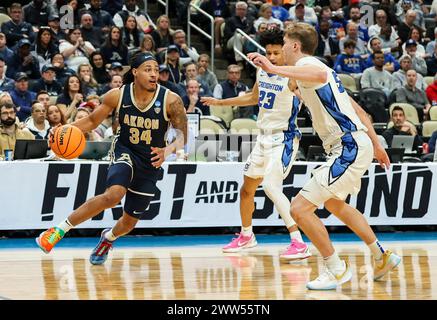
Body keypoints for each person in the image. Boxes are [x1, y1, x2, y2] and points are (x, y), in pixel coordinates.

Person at [248, 22, 401, 290]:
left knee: (299, 208)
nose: (281, 48)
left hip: (348, 147)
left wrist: (271, 67)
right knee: (334, 204)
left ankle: (336, 269)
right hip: (353, 145)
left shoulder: (315, 67)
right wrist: (377, 145)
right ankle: (381, 256)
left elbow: (315, 78)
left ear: (295, 46)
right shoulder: (314, 74)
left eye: (284, 43)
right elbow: (359, 111)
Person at [36, 52, 188, 265]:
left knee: (128, 223)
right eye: (148, 69)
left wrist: (168, 150)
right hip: (125, 150)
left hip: (150, 160)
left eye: (156, 69)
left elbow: (182, 136)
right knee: (113, 195)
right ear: (135, 72)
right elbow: (91, 121)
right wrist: (63, 129)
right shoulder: (117, 95)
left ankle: (108, 238)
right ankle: (57, 231)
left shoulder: (171, 100)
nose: (154, 74)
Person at [201, 29, 309, 260]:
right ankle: (247, 235)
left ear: (286, 51)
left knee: (270, 186)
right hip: (262, 138)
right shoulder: (262, 70)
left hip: (284, 137)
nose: (271, 57)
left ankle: (298, 241)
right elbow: (253, 98)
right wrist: (221, 101)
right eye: (268, 52)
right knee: (247, 189)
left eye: (276, 53)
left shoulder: (293, 75)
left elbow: (309, 96)